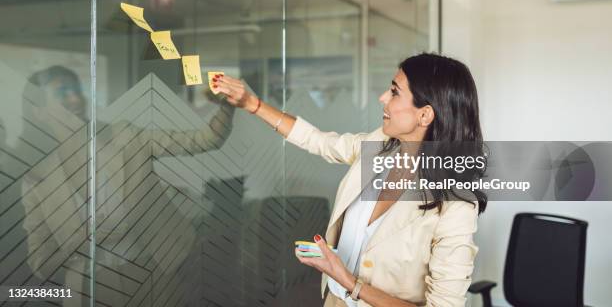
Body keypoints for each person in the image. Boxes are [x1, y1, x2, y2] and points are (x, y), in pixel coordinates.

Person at [213, 52, 488, 307]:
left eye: (394, 92)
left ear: (425, 114)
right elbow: (318, 141)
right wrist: (252, 104)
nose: (383, 98)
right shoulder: (380, 145)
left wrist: (349, 282)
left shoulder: (456, 204)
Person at [18, 66, 234, 306]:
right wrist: (82, 243)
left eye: (77, 90)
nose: (75, 98)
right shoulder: (37, 179)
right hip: (87, 288)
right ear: (39, 113)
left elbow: (207, 139)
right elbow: (40, 262)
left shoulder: (125, 136)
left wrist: (227, 106)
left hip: (152, 272)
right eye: (62, 93)